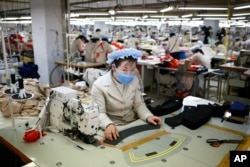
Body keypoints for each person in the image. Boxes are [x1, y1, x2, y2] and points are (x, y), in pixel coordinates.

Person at [90, 48, 162, 141]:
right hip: (112, 124)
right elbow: (100, 112)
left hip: (132, 121)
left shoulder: (134, 80)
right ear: (113, 67)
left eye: (132, 70)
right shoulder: (99, 85)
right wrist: (108, 124)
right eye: (124, 69)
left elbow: (139, 104)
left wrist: (148, 116)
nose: (129, 74)